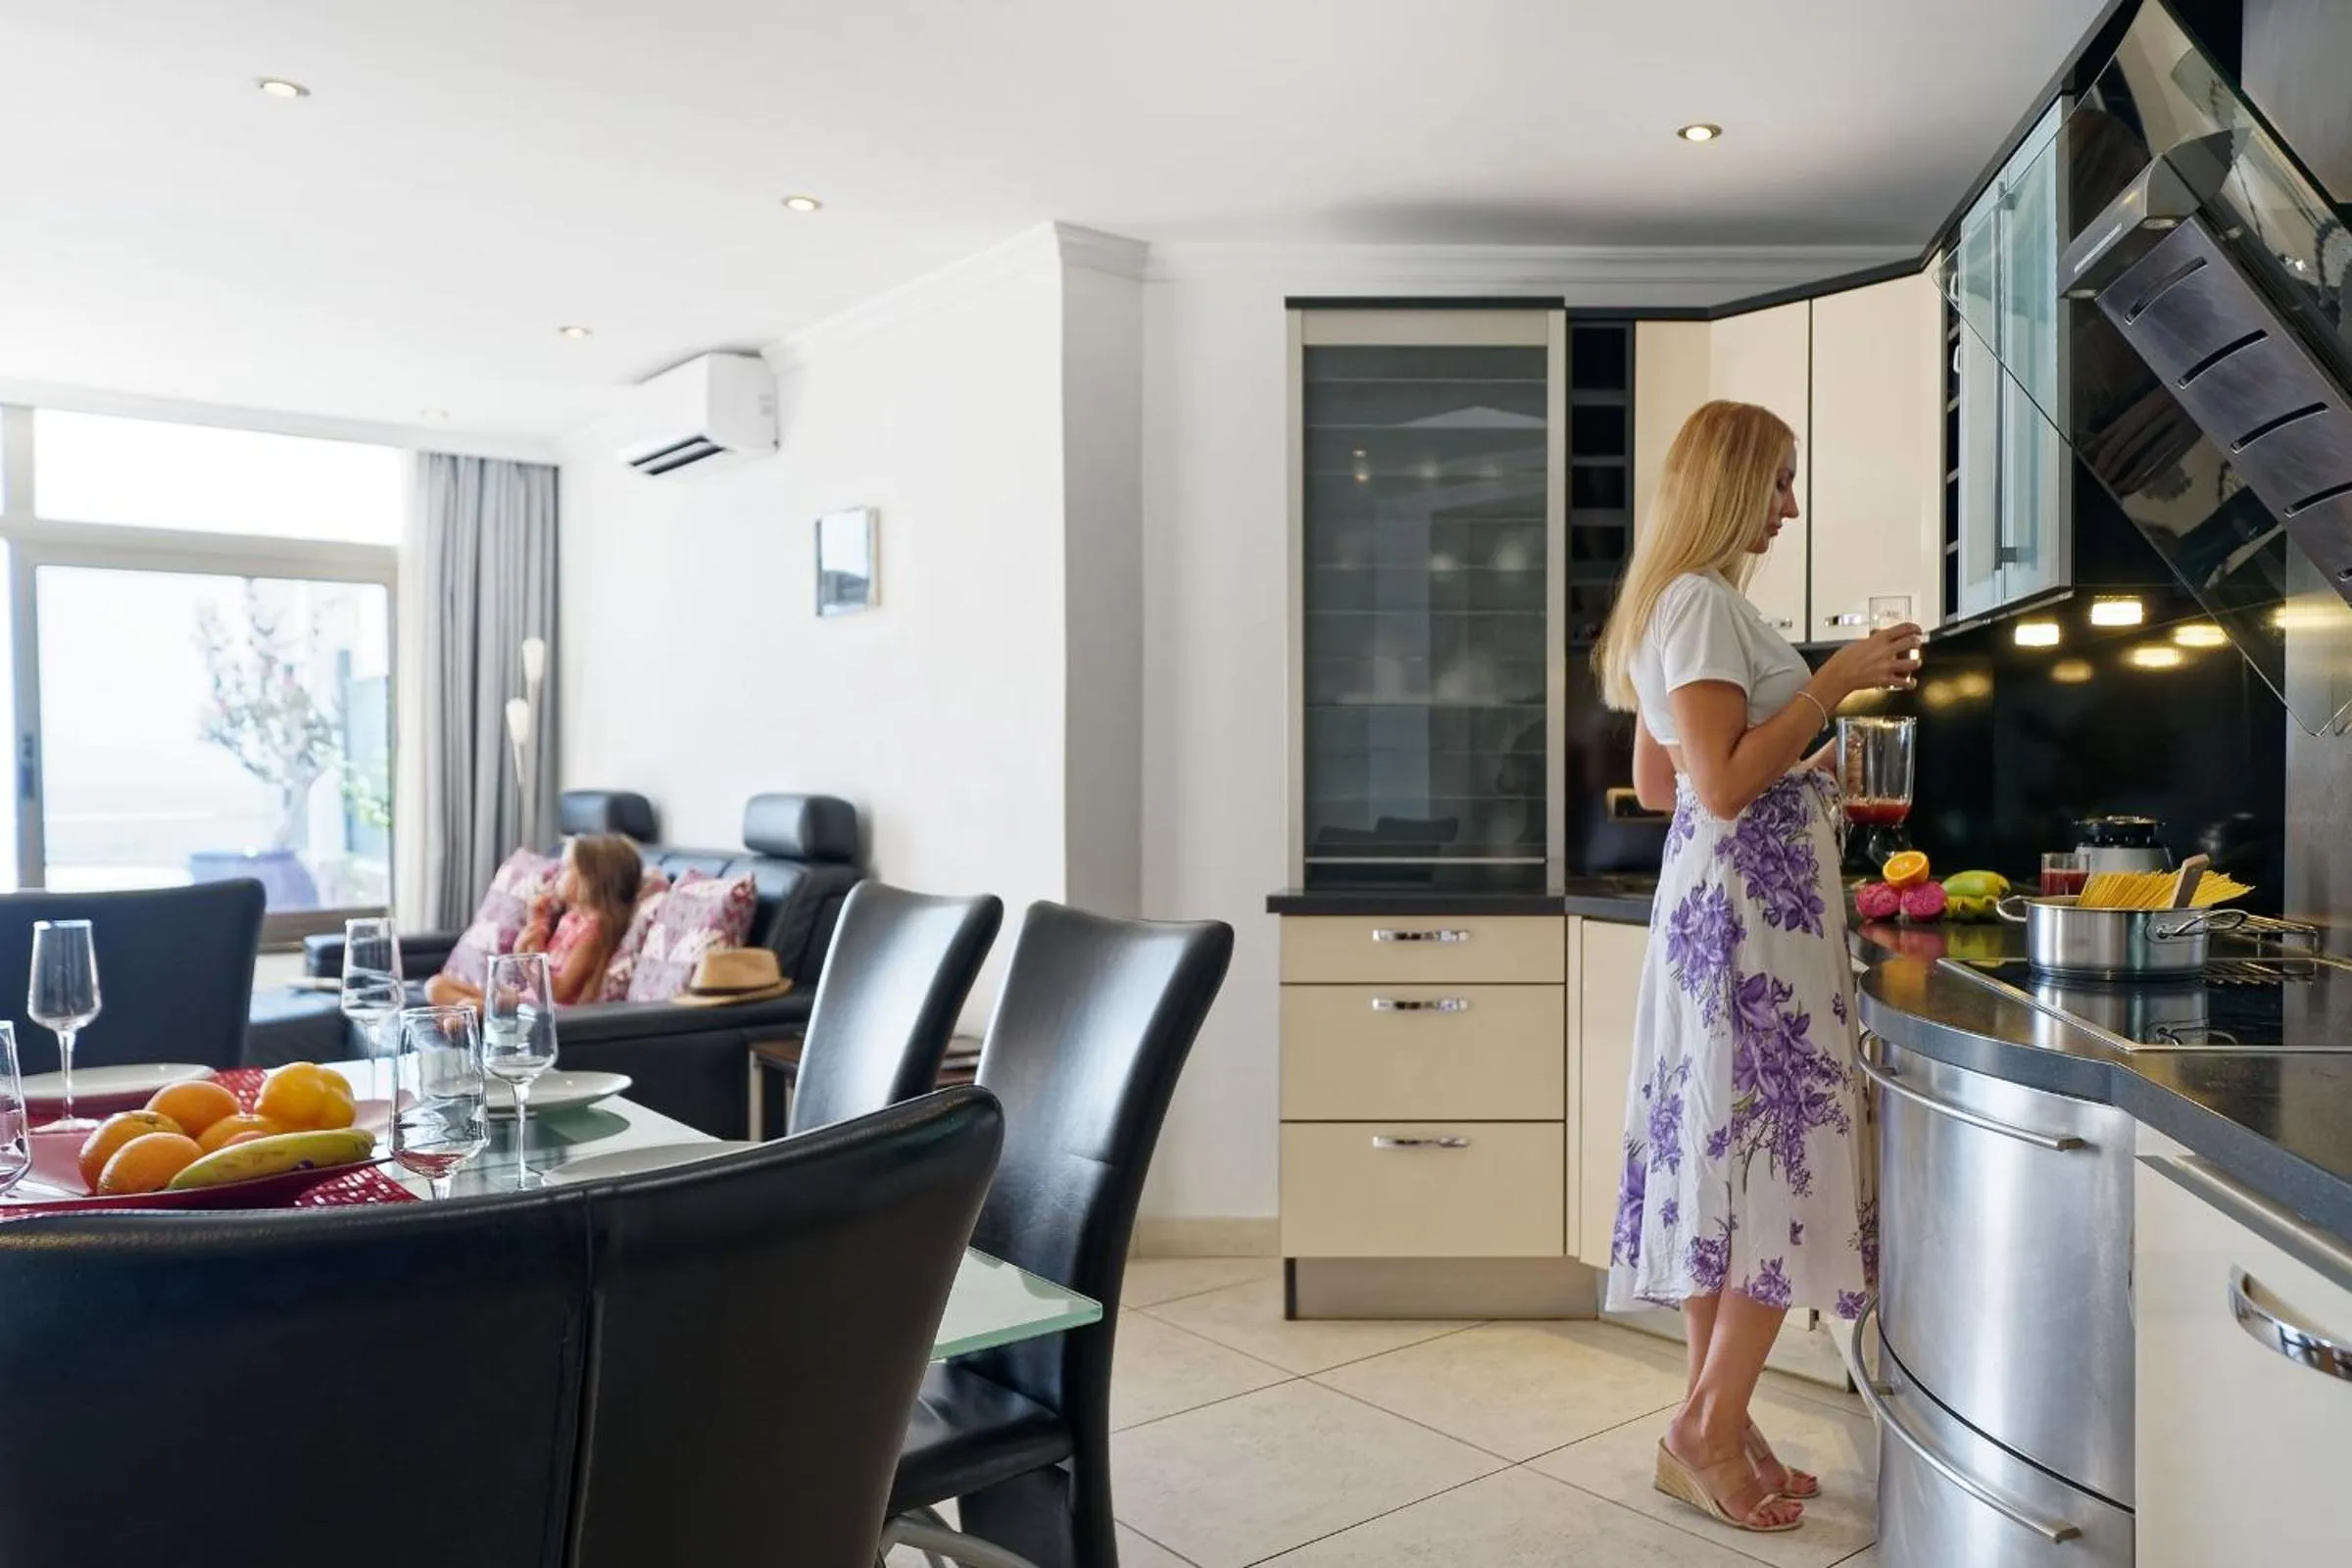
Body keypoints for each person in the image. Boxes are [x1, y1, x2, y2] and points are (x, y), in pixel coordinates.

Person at [1591, 399, 1923, 1535]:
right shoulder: (1701, 604)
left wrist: (1810, 750)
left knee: (1723, 1169)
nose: (1791, 502)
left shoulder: (1676, 607)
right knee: (1775, 1164)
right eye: (1780, 479)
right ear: (1732, 484)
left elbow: (1660, 782)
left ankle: (1715, 1422)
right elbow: (1722, 787)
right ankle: (1703, 1425)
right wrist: (1832, 685)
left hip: (1723, 923)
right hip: (1749, 936)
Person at [425, 834, 644, 1008]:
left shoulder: (595, 930)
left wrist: (528, 955)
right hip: (527, 1000)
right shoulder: (572, 919)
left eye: (568, 868)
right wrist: (534, 926)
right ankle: (460, 1019)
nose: (559, 874)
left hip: (545, 1011)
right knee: (436, 986)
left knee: (467, 1005)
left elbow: (557, 991)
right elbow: (543, 969)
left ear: (591, 880)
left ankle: (462, 1021)